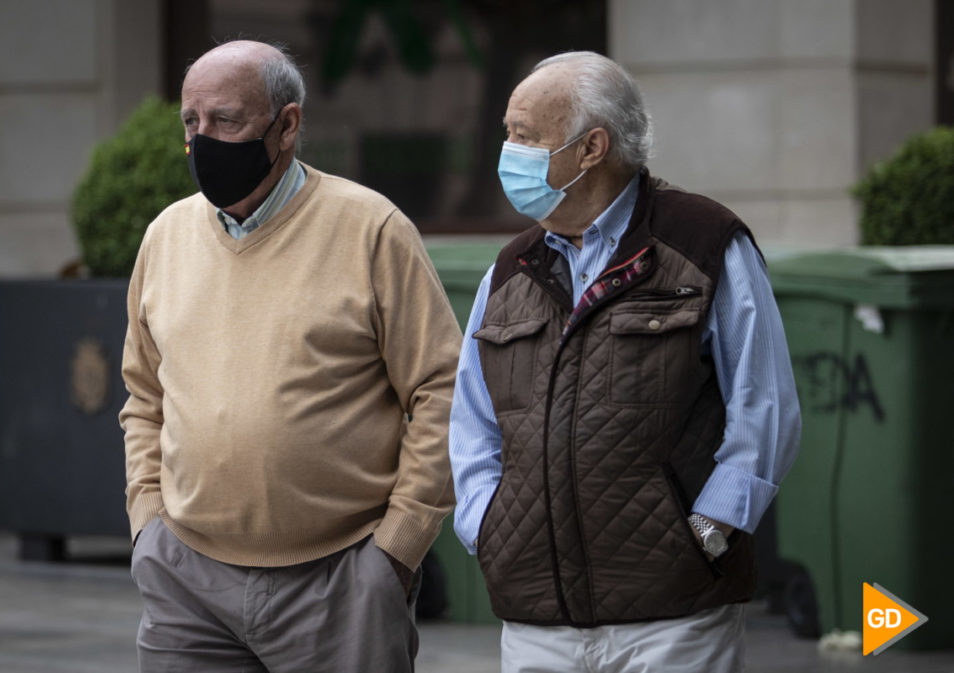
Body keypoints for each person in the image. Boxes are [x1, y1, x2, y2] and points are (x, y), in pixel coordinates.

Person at [449, 51, 801, 672]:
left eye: (525, 137)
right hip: (536, 615)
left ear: (591, 148)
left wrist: (709, 532)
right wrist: (487, 526)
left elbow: (764, 410)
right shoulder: (511, 268)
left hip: (674, 616)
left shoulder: (704, 241)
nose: (508, 150)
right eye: (508, 133)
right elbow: (472, 421)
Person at [120, 40, 461, 672]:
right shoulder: (165, 235)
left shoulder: (372, 229)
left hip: (340, 581)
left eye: (226, 120)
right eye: (191, 124)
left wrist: (396, 549)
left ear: (287, 125)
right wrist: (147, 521)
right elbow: (144, 395)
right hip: (186, 581)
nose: (203, 141)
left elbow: (442, 389)